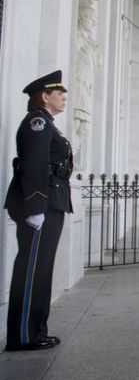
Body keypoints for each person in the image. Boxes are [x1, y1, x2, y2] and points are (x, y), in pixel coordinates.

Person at [4, 70, 72, 352]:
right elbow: (33, 164)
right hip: (40, 203)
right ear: (44, 96)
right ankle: (22, 335)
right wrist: (34, 206)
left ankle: (36, 330)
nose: (64, 99)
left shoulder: (48, 124)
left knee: (42, 269)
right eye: (60, 94)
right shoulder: (38, 123)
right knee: (32, 269)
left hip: (50, 201)